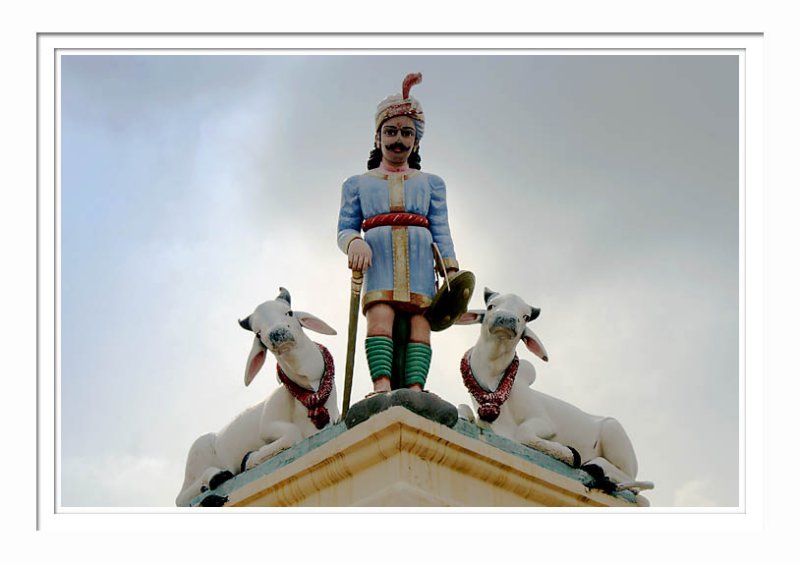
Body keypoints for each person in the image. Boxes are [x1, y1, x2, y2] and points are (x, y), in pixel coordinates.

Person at [337, 73, 466, 395]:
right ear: (378, 137)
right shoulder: (357, 184)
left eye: (406, 133)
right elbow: (345, 227)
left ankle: (415, 387)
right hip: (378, 261)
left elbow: (441, 227)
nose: (399, 140)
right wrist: (354, 242)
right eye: (391, 131)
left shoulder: (432, 183)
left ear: (416, 141)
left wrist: (450, 267)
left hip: (421, 261)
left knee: (421, 326)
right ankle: (381, 385)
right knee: (380, 320)